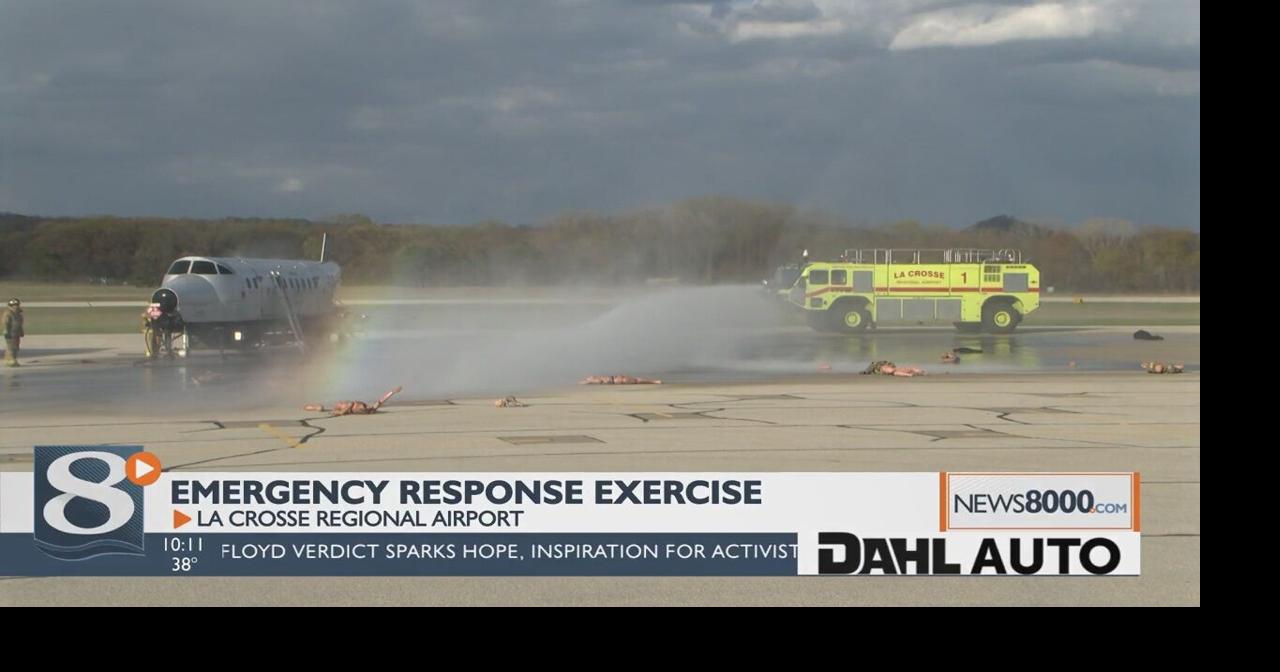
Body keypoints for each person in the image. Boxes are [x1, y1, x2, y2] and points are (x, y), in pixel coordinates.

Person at [3, 298, 23, 367]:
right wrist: (6, 331)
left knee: (16, 347)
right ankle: (9, 360)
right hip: (10, 333)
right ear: (10, 306)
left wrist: (21, 331)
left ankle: (14, 359)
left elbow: (20, 324)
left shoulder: (18, 314)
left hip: (16, 333)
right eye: (13, 305)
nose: (15, 306)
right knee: (11, 347)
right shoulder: (8, 314)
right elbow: (6, 323)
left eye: (16, 305)